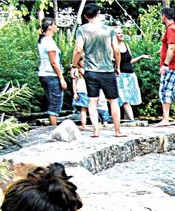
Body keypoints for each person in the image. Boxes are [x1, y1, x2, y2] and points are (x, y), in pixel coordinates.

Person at [71, 4, 123, 138]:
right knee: (113, 101)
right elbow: (117, 51)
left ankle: (96, 131)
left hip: (90, 71)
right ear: (98, 13)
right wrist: (117, 67)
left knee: (92, 101)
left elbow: (78, 50)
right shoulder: (109, 30)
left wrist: (74, 66)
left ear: (85, 16)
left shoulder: (82, 30)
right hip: (107, 71)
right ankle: (117, 131)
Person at [155, 6, 175, 127]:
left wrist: (165, 65)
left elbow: (172, 47)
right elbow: (171, 46)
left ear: (164, 16)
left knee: (164, 91)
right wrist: (162, 50)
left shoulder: (171, 29)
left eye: (161, 15)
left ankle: (165, 119)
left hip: (172, 66)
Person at [115, 30, 150, 122]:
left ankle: (127, 121)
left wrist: (141, 57)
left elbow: (129, 61)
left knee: (129, 99)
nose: (121, 34)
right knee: (124, 99)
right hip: (120, 76)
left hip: (130, 75)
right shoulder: (113, 47)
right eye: (119, 33)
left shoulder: (126, 45)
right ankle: (132, 120)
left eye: (122, 33)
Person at [37, 18, 66, 128]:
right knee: (55, 102)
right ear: (50, 26)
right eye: (55, 25)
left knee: (51, 100)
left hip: (44, 74)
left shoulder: (43, 40)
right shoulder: (49, 42)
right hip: (51, 75)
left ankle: (51, 126)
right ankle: (53, 129)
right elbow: (53, 62)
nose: (56, 27)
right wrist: (61, 78)